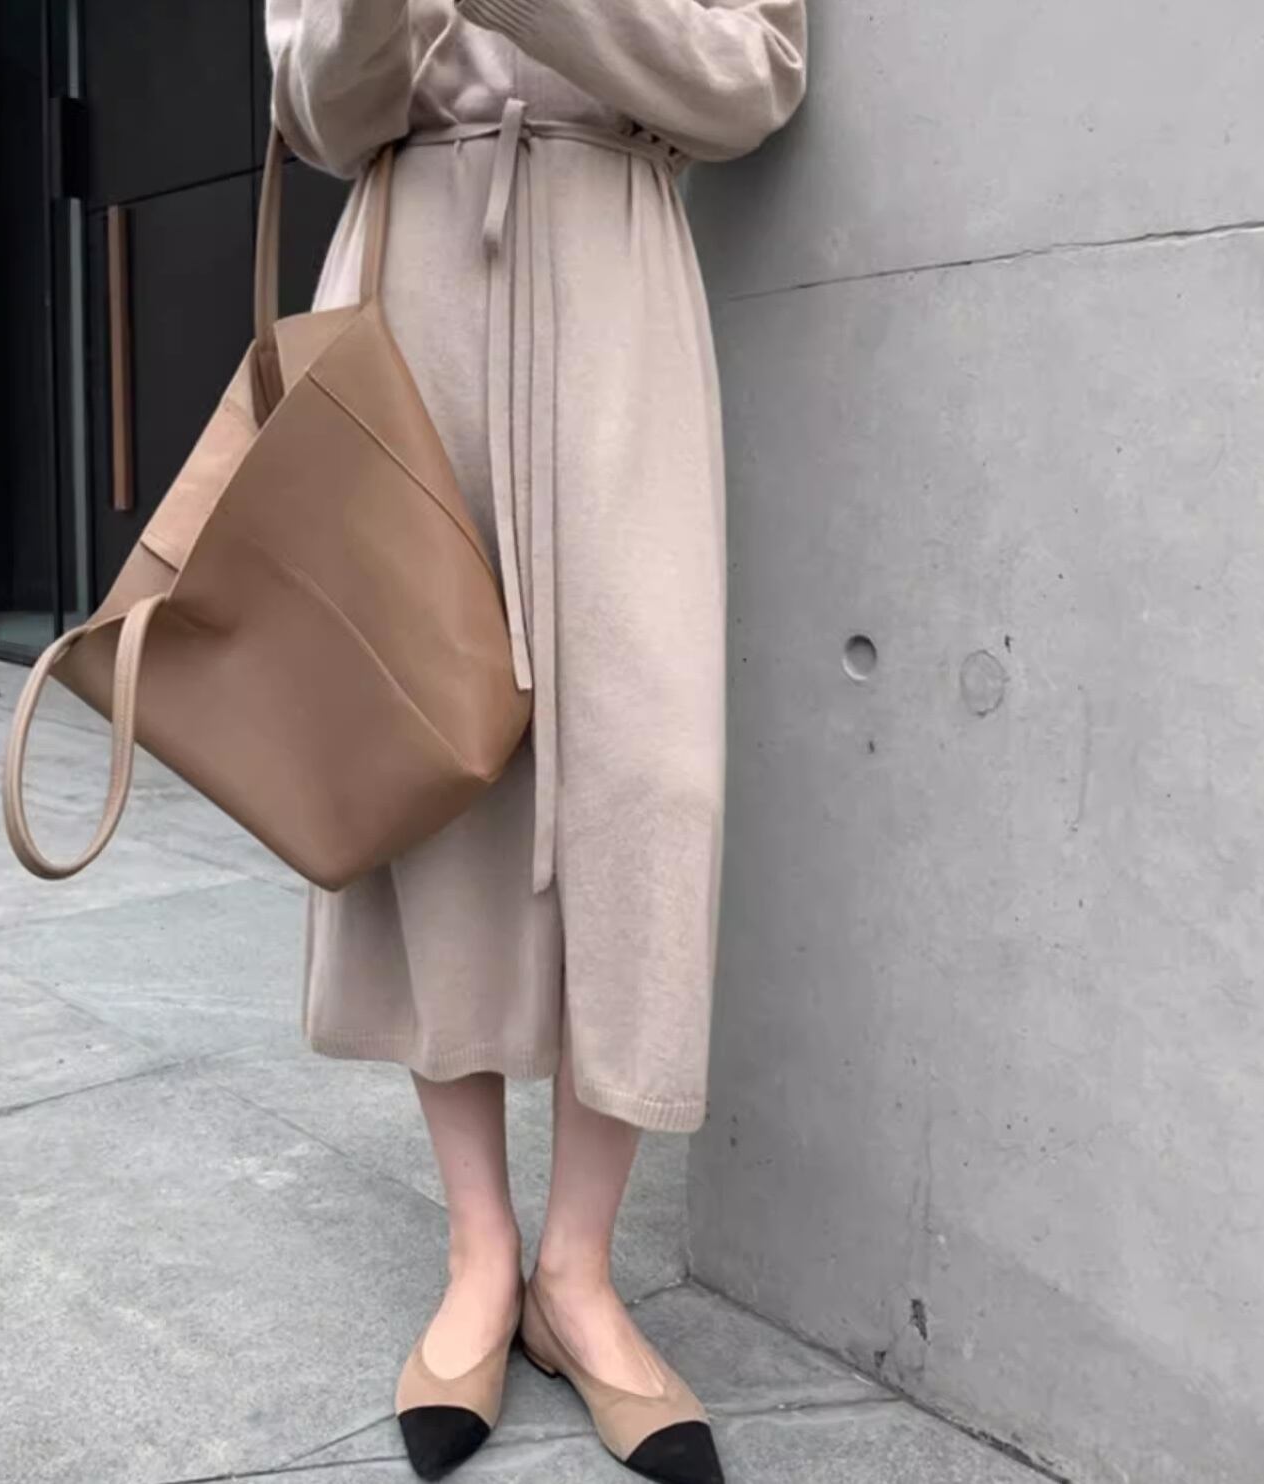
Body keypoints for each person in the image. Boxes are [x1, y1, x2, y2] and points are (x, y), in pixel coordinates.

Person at [264, 2, 807, 1479]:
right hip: (403, 293)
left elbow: (754, 79)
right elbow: (317, 111)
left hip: (614, 287)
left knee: (647, 774)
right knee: (417, 754)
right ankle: (480, 1252)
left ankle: (578, 1271)